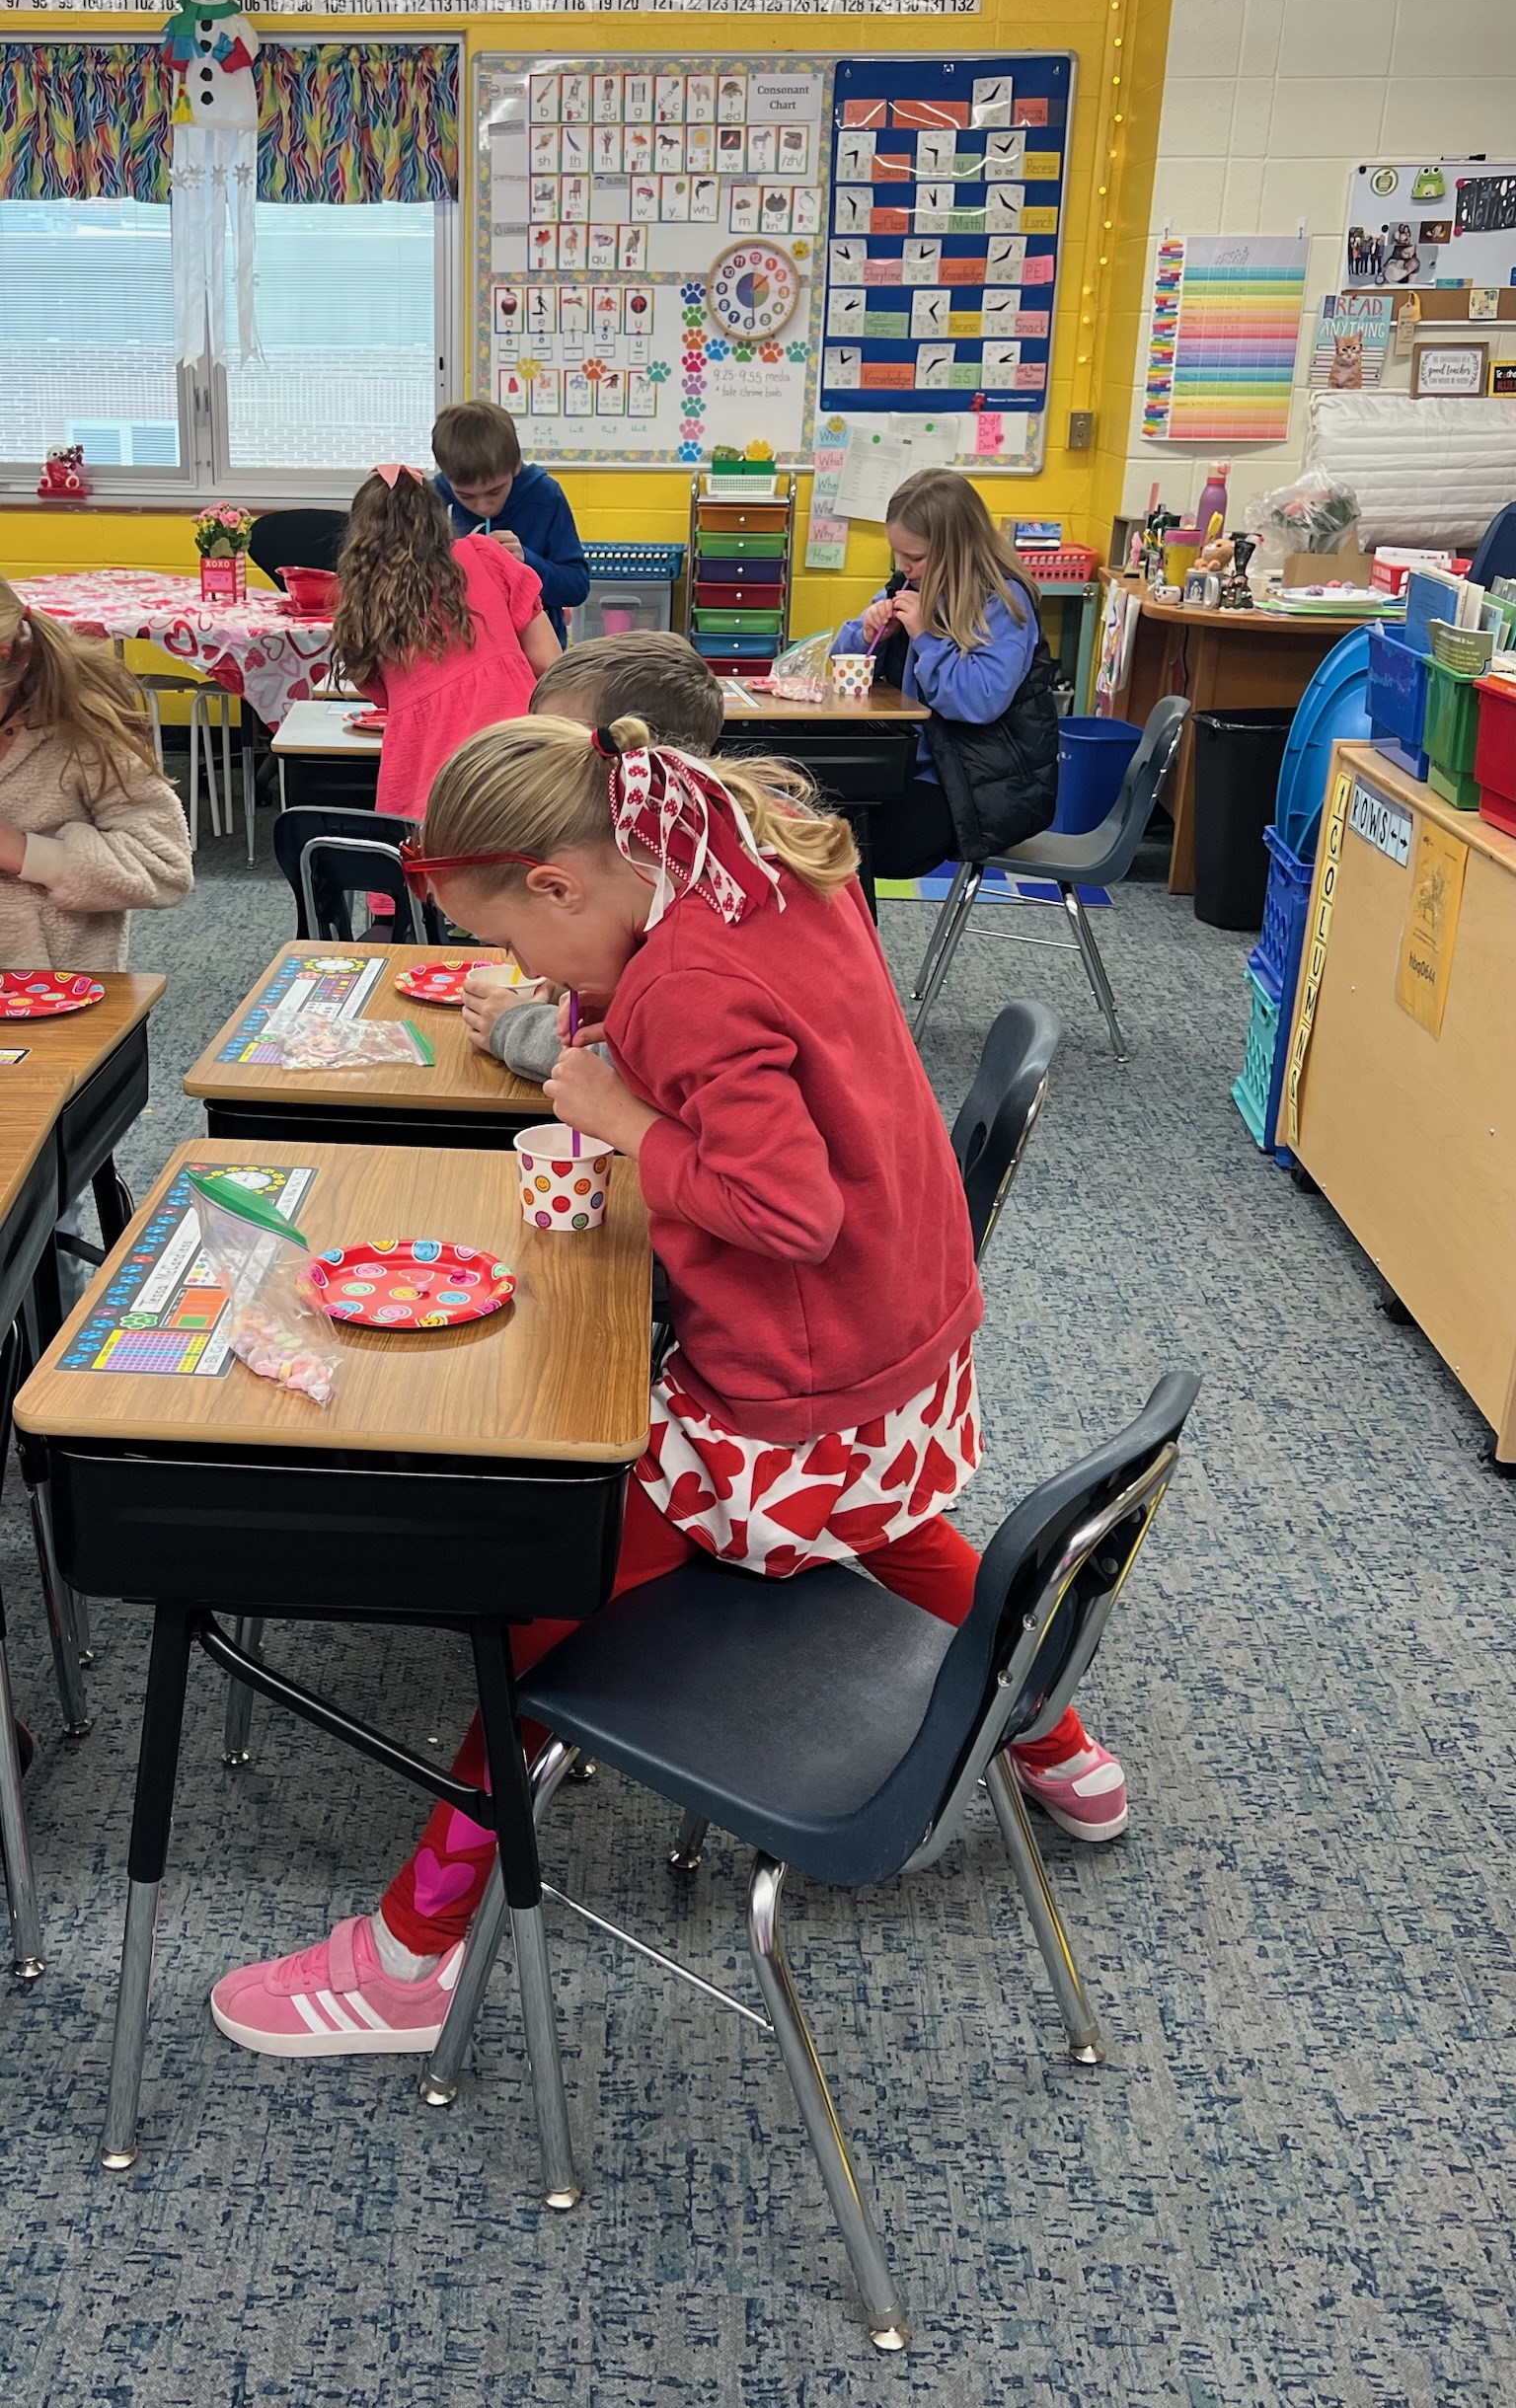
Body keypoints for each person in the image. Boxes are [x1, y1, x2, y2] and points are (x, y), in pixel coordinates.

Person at [209, 715, 1127, 2058]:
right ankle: (1063, 1752)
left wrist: (624, 1117)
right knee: (877, 1515)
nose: (523, 971)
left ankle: (411, 1957)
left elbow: (789, 1210)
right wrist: (592, 1035)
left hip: (791, 1376)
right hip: (898, 1338)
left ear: (560, 883)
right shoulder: (754, 861)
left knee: (537, 1602)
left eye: (517, 942)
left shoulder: (681, 984)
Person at [463, 631, 724, 1082]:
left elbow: (652, 1059)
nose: (542, 769)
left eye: (565, 751)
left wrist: (516, 1027)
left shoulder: (699, 897)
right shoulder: (659, 848)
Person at [831, 468, 1059, 879]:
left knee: (849, 843)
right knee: (818, 814)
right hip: (909, 767)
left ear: (957, 548)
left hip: (977, 789)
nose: (905, 567)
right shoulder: (909, 585)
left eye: (916, 558)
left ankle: (849, 924)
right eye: (897, 554)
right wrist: (866, 634)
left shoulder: (1003, 602)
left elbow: (979, 701)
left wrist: (926, 637)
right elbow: (843, 671)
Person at [332, 464, 561, 828]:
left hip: (425, 763)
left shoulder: (363, 599)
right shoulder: (485, 554)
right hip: (513, 748)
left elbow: (378, 692)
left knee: (435, 854)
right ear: (438, 517)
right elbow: (548, 661)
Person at [0, 577, 190, 968]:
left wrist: (24, 853)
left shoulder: (83, 726)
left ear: (14, 661)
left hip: (59, 985)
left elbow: (164, 869)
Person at [431, 401, 590, 647]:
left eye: (494, 491)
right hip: (462, 650)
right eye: (466, 496)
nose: (483, 506)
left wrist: (525, 562)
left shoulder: (544, 495)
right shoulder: (433, 500)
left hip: (533, 655)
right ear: (445, 476)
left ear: (515, 466)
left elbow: (576, 587)